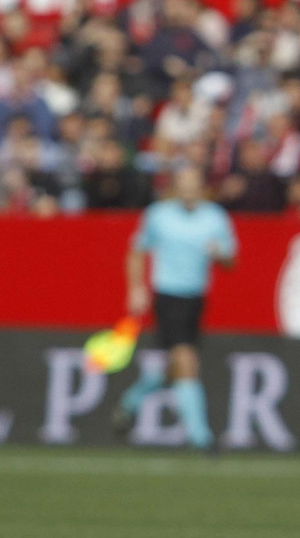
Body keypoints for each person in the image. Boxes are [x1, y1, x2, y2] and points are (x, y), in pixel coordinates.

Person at [113, 165, 238, 451]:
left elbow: (231, 260)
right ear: (176, 186)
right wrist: (136, 288)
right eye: (184, 183)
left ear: (202, 187)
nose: (189, 189)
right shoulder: (159, 215)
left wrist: (219, 254)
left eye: (194, 183)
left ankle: (134, 397)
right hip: (167, 296)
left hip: (195, 298)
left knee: (177, 367)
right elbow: (136, 251)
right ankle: (201, 438)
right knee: (187, 361)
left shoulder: (215, 218)